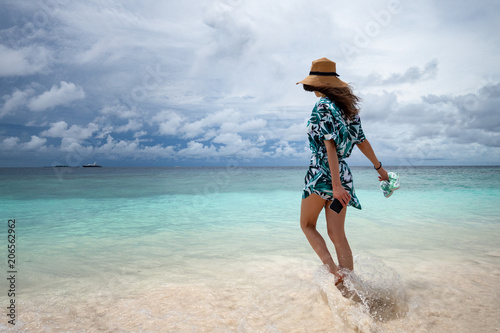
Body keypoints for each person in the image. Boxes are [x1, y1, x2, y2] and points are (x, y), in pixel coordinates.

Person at [297, 57, 388, 286]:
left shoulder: (323, 106)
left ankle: (335, 273)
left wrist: (334, 186)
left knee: (307, 225)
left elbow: (330, 145)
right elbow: (362, 141)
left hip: (321, 175)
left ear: (318, 83)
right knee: (338, 235)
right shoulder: (349, 110)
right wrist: (380, 168)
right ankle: (350, 284)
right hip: (343, 175)